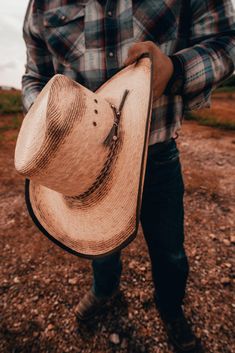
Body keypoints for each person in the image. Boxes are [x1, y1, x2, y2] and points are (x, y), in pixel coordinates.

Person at [22, 0, 235, 351]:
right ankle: (105, 292)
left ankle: (171, 309)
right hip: (85, 166)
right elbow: (34, 77)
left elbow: (227, 40)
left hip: (157, 149)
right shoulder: (42, 6)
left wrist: (176, 69)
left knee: (170, 250)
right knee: (100, 247)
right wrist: (46, 117)